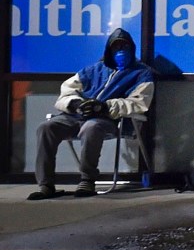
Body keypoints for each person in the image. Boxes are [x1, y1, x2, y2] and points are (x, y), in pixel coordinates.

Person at [29, 28, 154, 200]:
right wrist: (77, 104)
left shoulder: (141, 73)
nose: (121, 51)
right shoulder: (93, 70)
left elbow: (139, 103)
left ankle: (87, 180)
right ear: (109, 50)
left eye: (125, 46)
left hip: (107, 119)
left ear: (132, 49)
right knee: (46, 128)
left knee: (91, 127)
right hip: (77, 116)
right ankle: (45, 185)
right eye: (116, 47)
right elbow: (67, 91)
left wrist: (105, 107)